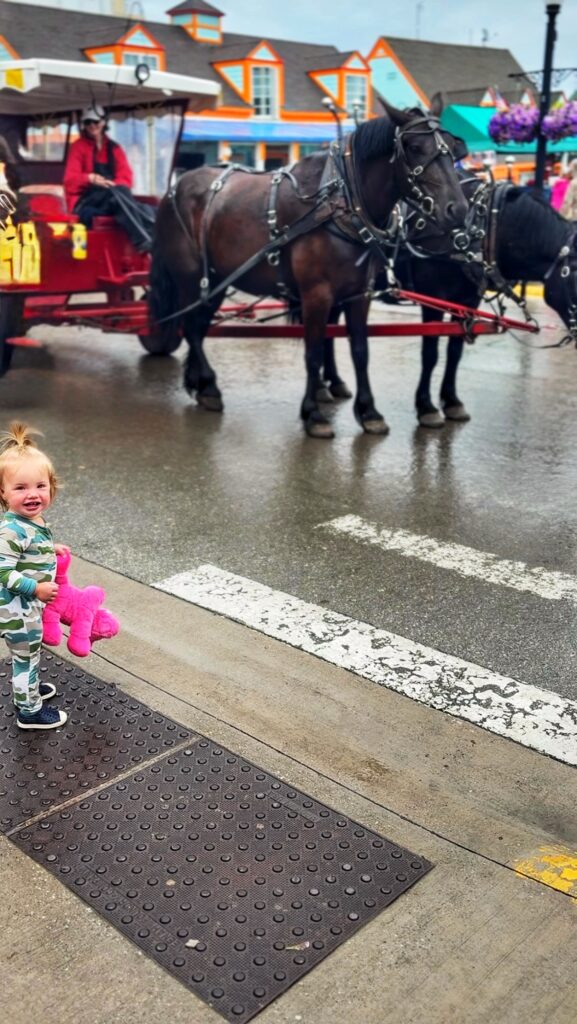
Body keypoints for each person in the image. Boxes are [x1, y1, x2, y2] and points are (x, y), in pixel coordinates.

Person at [0, 422, 68, 731]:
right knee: (26, 656)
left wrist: (49, 547)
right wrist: (35, 589)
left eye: (40, 486)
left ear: (51, 487)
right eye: (20, 488)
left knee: (27, 655)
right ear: (3, 493)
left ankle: (26, 690)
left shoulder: (29, 523)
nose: (33, 494)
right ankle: (29, 711)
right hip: (16, 609)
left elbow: (28, 548)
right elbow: (2, 569)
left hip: (24, 607)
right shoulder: (13, 528)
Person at [63, 104, 155, 253]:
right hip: (86, 202)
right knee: (124, 199)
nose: (92, 125)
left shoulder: (114, 148)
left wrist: (112, 185)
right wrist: (89, 178)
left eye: (95, 121)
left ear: (103, 122)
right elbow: (70, 181)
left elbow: (126, 177)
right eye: (88, 122)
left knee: (147, 208)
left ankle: (152, 240)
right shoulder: (78, 147)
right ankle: (142, 241)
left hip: (112, 197)